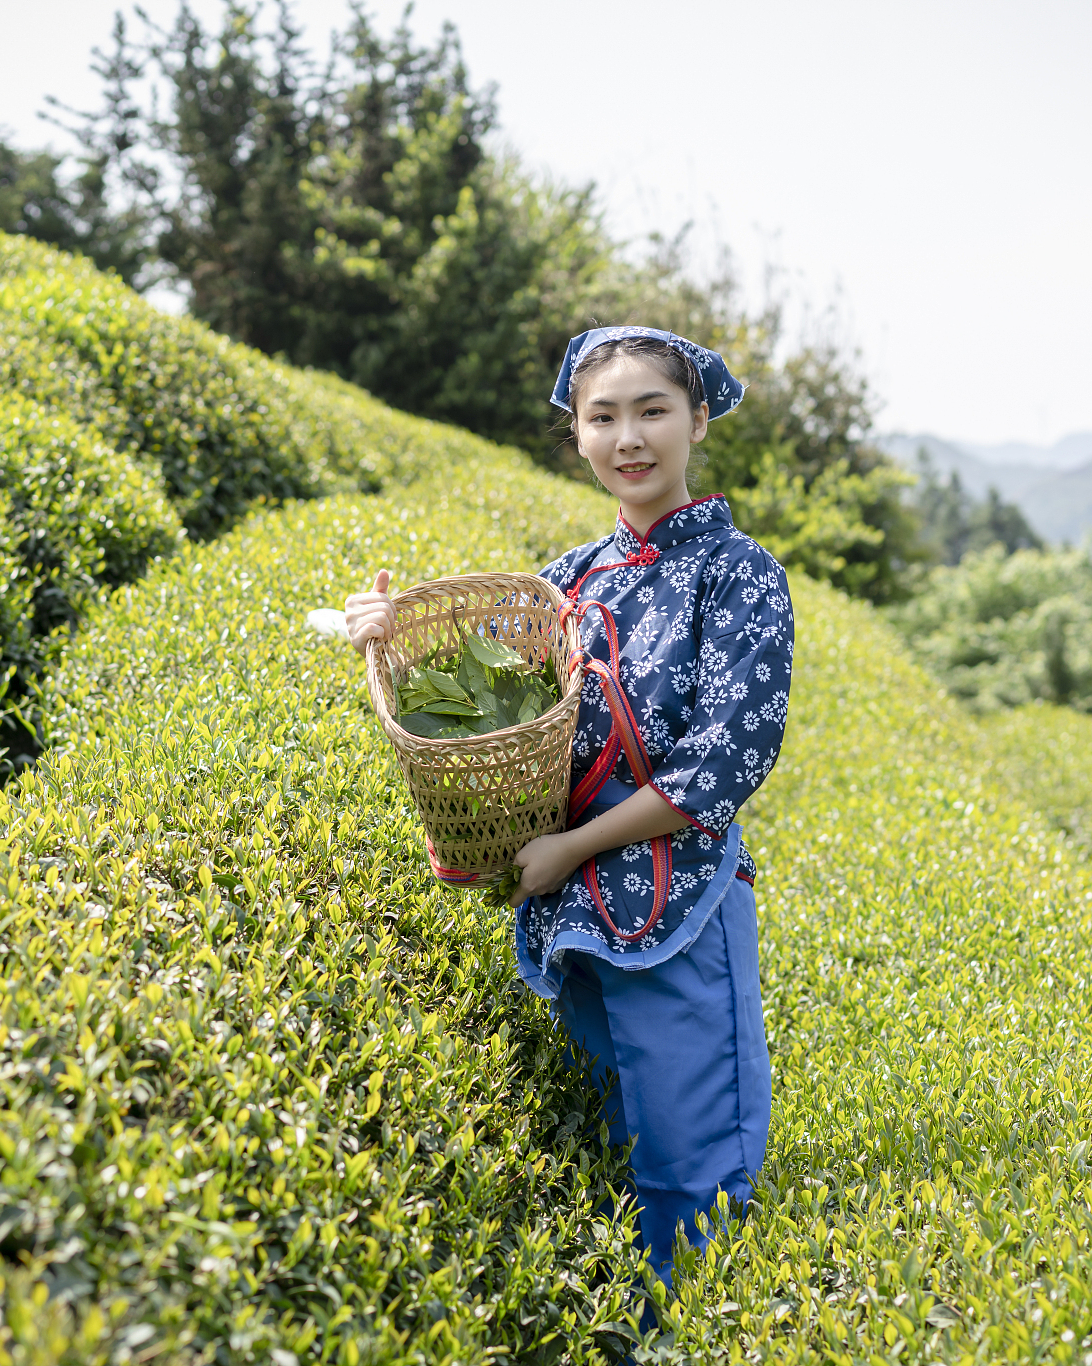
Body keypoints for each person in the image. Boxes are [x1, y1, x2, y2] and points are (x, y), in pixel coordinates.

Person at [342, 326, 792, 1296]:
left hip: (675, 908)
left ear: (696, 419)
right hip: (569, 915)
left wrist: (573, 846)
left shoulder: (737, 571)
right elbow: (479, 685)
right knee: (613, 1156)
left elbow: (725, 759)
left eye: (651, 410)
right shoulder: (569, 577)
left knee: (693, 1170)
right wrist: (379, 638)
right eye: (602, 418)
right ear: (578, 437)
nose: (628, 437)